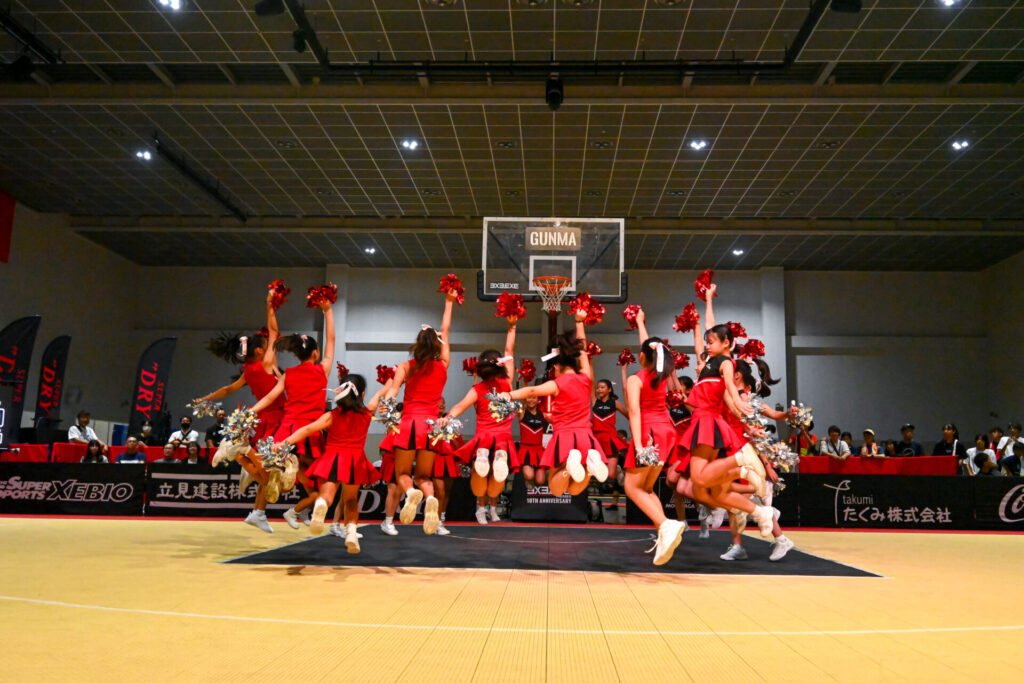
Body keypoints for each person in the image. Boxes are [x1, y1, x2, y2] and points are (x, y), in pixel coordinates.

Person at [499, 312, 609, 505]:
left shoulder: (558, 383)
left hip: (564, 435)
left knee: (556, 489)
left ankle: (569, 467)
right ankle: (589, 467)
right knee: (575, 489)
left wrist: (509, 395)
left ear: (557, 365)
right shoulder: (585, 377)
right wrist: (579, 322)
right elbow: (583, 349)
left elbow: (532, 390)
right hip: (585, 436)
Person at [197, 292, 285, 534]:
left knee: (269, 473)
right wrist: (269, 304)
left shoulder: (249, 371)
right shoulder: (266, 363)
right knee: (271, 473)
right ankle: (241, 454)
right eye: (266, 346)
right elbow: (274, 331)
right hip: (275, 418)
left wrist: (206, 398)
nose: (270, 347)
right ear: (259, 351)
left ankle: (258, 512)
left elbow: (228, 389)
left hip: (266, 418)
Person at [276, 373, 386, 553]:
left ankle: (321, 505)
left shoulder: (332, 415)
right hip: (355, 460)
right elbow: (382, 393)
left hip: (333, 458)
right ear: (362, 395)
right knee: (351, 500)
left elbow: (308, 429)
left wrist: (284, 442)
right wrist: (394, 378)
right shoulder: (368, 413)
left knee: (326, 495)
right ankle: (351, 533)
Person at [252, 300, 336, 533]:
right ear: (315, 353)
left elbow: (270, 397)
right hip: (310, 432)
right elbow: (331, 340)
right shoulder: (322, 369)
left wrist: (250, 413)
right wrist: (328, 310)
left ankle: (269, 504)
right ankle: (299, 502)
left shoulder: (288, 374)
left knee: (292, 473)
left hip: (287, 431)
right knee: (319, 475)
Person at [383, 287, 458, 535]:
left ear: (417, 344)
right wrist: (449, 302)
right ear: (438, 345)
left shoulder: (406, 366)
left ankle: (410, 492)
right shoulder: (443, 365)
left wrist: (386, 406)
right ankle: (429, 497)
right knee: (424, 475)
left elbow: (393, 391)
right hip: (431, 427)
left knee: (403, 473)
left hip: (408, 424)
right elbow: (446, 330)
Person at [620, 307, 685, 565]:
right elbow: (650, 348)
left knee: (631, 487)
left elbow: (634, 412)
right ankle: (665, 532)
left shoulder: (635, 379)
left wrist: (638, 445)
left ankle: (665, 524)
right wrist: (640, 323)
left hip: (648, 433)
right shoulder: (662, 374)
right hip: (666, 433)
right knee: (646, 488)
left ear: (641, 357)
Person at [445, 315, 519, 526]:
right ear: (500, 365)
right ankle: (487, 508)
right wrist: (512, 327)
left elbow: (459, 406)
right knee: (497, 478)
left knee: (482, 476)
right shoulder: (507, 382)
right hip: (502, 438)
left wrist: (447, 418)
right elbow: (509, 351)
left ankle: (483, 508)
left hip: (483, 439)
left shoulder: (477, 389)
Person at [514, 394, 548, 489]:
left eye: (534, 398)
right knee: (529, 476)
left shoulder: (543, 414)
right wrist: (524, 385)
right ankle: (529, 478)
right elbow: (520, 403)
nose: (531, 400)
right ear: (525, 399)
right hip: (525, 450)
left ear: (538, 400)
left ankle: (535, 476)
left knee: (540, 480)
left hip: (539, 450)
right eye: (529, 397)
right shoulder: (522, 412)